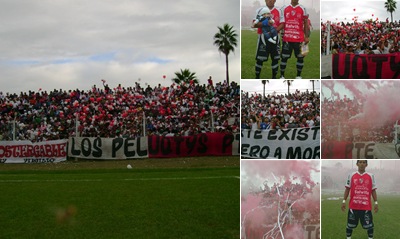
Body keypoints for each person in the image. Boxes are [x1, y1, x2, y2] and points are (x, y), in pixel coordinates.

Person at [341, 160, 378, 239]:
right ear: (357, 164)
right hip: (353, 207)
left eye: (364, 162)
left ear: (366, 165)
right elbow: (347, 189)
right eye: (360, 162)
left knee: (369, 226)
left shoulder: (371, 176)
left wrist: (376, 203)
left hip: (366, 207)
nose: (362, 164)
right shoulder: (351, 175)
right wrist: (343, 201)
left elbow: (373, 190)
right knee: (350, 226)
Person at [279, 0, 310, 79]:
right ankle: (282, 76)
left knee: (300, 57)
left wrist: (306, 36)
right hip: (287, 38)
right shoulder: (284, 8)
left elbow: (306, 24)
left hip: (299, 39)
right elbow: (282, 23)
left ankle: (298, 76)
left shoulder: (303, 8)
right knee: (284, 58)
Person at [252, 0, 283, 79]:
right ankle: (257, 77)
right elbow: (254, 24)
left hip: (275, 38)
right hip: (263, 38)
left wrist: (274, 31)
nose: (270, 1)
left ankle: (274, 77)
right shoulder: (259, 10)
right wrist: (265, 24)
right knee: (259, 60)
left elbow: (283, 23)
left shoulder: (279, 11)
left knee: (275, 59)